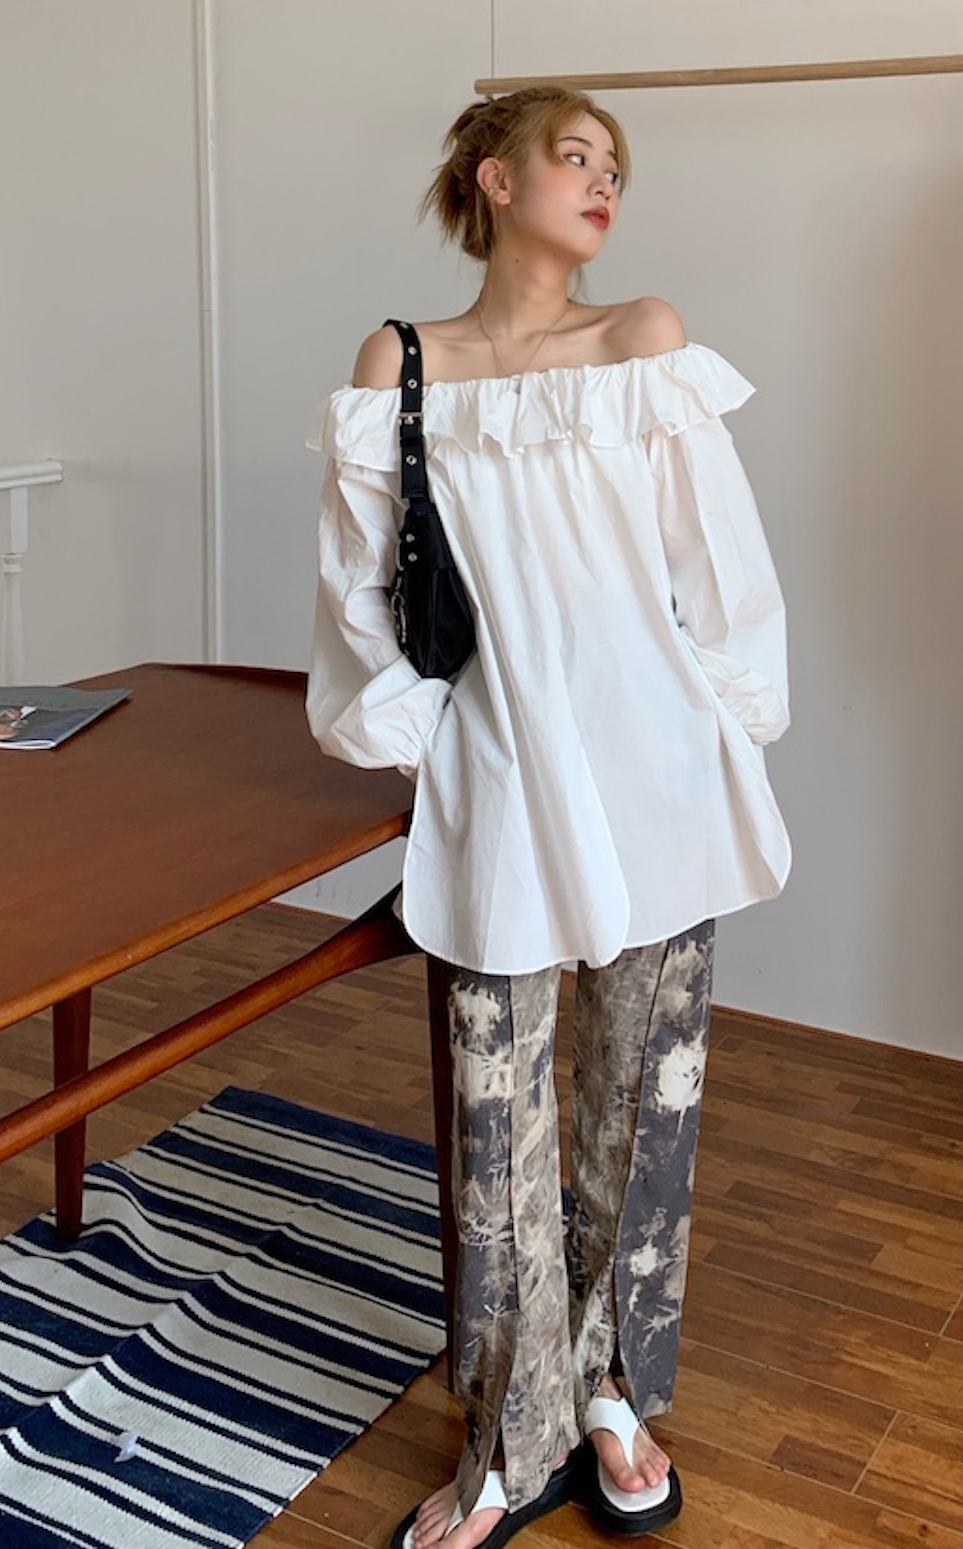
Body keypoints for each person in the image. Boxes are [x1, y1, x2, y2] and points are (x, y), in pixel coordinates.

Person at [305, 86, 791, 1549]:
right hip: (497, 771)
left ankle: (613, 1393)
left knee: (642, 1101)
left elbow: (720, 570)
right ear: (493, 177)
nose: (602, 182)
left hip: (657, 773)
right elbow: (357, 591)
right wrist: (425, 742)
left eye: (615, 166)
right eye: (574, 155)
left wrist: (725, 727)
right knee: (493, 1113)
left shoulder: (642, 339)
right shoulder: (401, 365)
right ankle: (508, 1438)